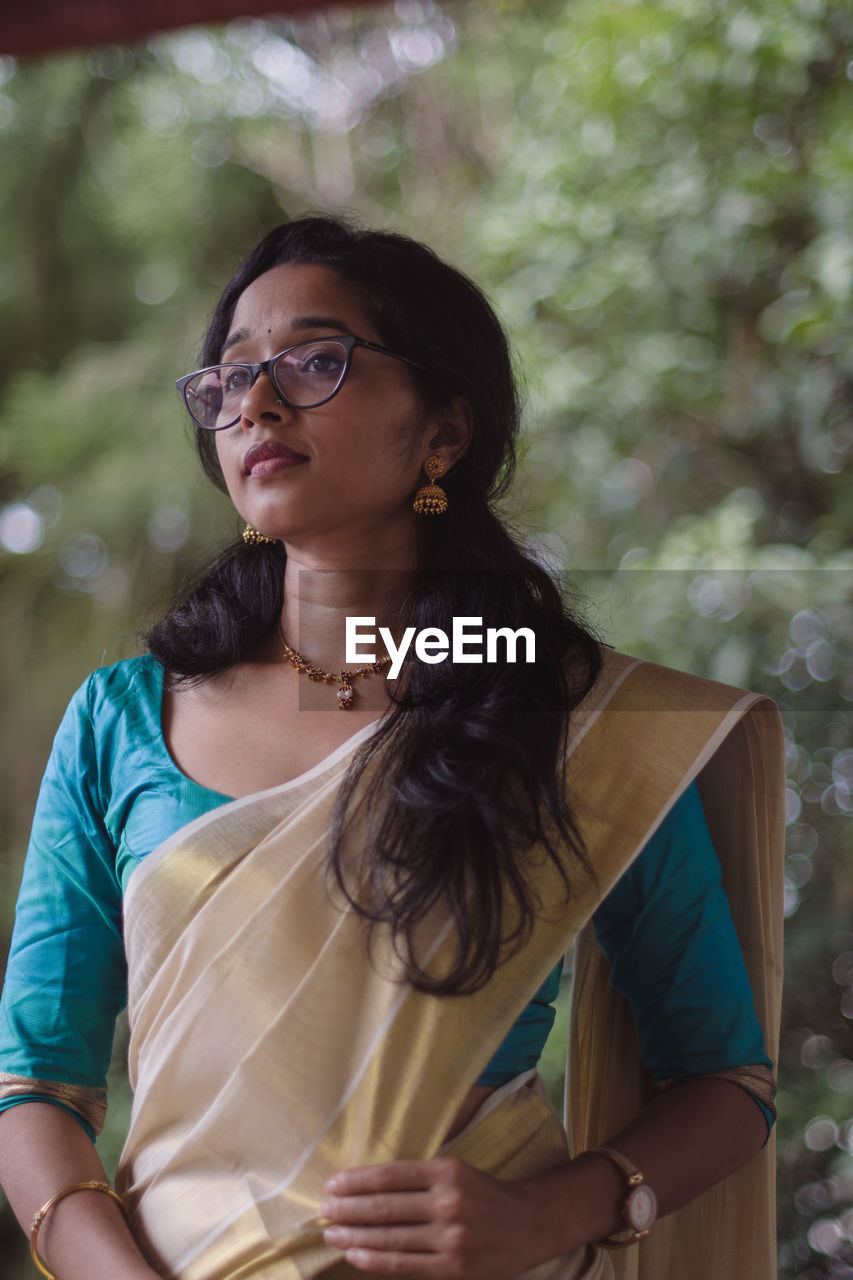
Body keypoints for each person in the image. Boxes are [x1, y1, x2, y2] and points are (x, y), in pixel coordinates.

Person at [0, 215, 784, 1280]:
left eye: (315, 360)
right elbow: (36, 1083)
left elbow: (723, 1076)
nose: (258, 404)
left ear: (443, 431)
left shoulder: (577, 721)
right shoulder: (122, 719)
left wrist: (551, 1213)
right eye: (230, 380)